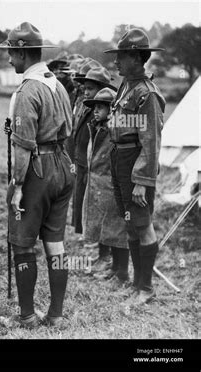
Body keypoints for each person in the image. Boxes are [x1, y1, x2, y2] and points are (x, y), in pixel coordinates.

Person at [0, 22, 75, 329]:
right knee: (55, 243)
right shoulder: (58, 84)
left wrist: (16, 187)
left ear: (22, 52)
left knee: (23, 243)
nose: (9, 60)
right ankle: (55, 315)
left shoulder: (27, 90)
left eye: (11, 53)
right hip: (63, 166)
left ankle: (26, 316)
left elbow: (24, 148)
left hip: (37, 169)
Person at [104, 28, 165, 306]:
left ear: (138, 58)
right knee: (129, 223)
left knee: (142, 224)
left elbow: (150, 142)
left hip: (136, 164)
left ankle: (146, 288)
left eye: (122, 56)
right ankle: (137, 284)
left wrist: (142, 180)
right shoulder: (125, 85)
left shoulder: (146, 94)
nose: (116, 61)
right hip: (120, 160)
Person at [81, 88, 129, 285]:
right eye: (94, 107)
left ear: (112, 109)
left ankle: (122, 273)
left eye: (100, 107)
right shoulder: (97, 127)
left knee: (117, 231)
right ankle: (113, 268)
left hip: (111, 185)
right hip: (99, 185)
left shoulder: (115, 129)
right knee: (106, 229)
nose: (95, 111)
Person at [71, 67, 117, 269]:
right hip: (85, 165)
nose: (86, 92)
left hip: (100, 172)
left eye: (90, 88)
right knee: (90, 209)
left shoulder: (104, 117)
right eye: (84, 88)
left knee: (103, 214)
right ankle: (100, 252)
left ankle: (106, 256)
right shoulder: (89, 109)